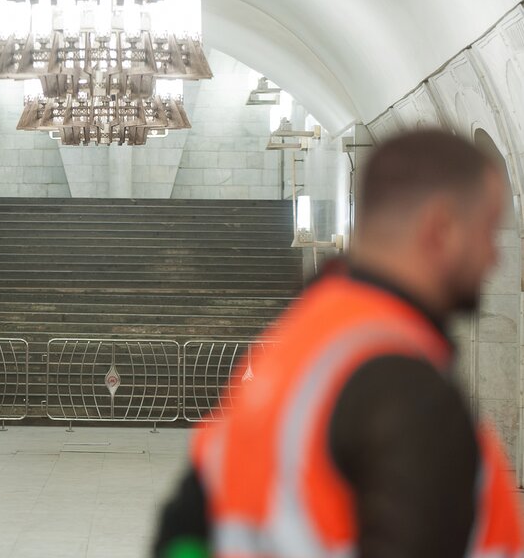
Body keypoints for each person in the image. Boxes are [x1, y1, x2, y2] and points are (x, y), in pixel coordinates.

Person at [154, 130, 523, 558]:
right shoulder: (400, 383)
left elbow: (180, 534)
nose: (494, 256)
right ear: (440, 229)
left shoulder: (296, 343)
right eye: (488, 231)